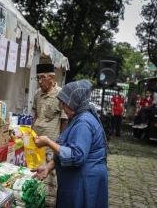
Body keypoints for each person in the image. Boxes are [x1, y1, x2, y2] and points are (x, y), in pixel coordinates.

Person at [33, 79, 108, 208]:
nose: (62, 107)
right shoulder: (78, 117)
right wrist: (48, 167)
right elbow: (68, 147)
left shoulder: (83, 123)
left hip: (85, 181)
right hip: (79, 178)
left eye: (64, 103)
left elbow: (76, 155)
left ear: (74, 103)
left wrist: (48, 142)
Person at [32, 60, 67, 206]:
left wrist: (61, 143)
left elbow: (64, 121)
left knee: (51, 180)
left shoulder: (61, 95)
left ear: (52, 78)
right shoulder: (37, 94)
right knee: (35, 174)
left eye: (42, 77)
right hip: (36, 144)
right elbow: (35, 116)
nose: (40, 81)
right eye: (38, 78)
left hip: (51, 145)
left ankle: (50, 204)